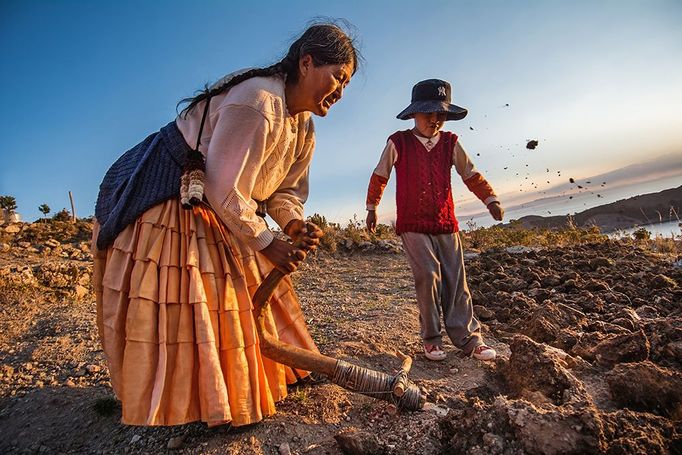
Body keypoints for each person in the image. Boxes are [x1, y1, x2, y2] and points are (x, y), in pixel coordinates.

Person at [92, 23, 358, 427]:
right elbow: (221, 186)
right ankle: (192, 402)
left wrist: (294, 224)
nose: (341, 90)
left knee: (234, 295)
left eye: (347, 83)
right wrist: (267, 242)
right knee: (196, 295)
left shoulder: (303, 127)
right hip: (179, 191)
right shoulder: (257, 101)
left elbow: (283, 192)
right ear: (307, 63)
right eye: (338, 76)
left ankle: (244, 385)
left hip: (230, 204)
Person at [365, 79, 503, 362]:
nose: (434, 120)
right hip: (412, 224)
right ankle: (431, 338)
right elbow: (380, 175)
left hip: (445, 222)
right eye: (428, 113)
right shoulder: (398, 142)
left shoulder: (451, 143)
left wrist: (490, 200)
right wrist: (371, 207)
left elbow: (471, 175)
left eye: (440, 114)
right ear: (414, 113)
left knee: (456, 279)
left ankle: (469, 339)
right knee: (428, 274)